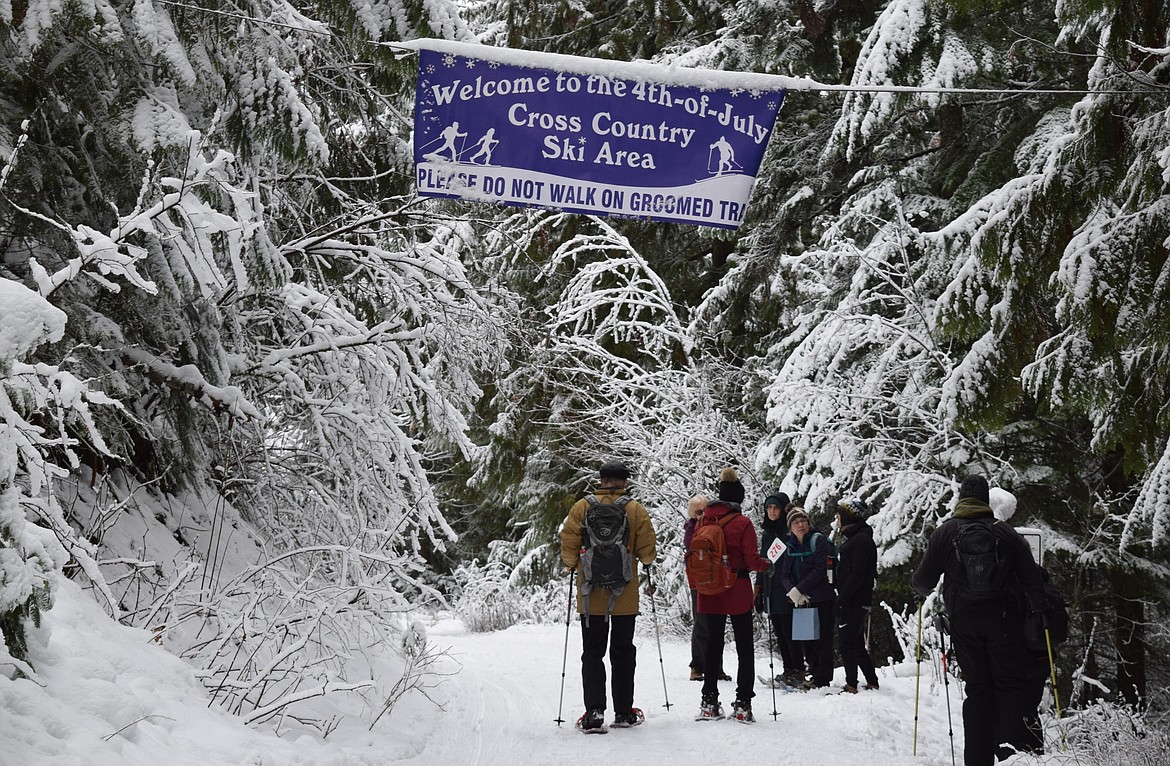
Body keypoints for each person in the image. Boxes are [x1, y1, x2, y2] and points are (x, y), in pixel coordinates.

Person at [912, 474, 1047, 765]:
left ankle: (978, 760)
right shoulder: (1005, 533)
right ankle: (1015, 758)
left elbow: (923, 583)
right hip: (1004, 622)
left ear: (961, 498)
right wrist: (1040, 616)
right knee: (1009, 687)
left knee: (977, 690)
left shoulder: (945, 533)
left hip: (965, 624)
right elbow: (1032, 580)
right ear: (986, 500)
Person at [561, 460, 657, 732]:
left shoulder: (582, 507)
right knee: (623, 652)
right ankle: (624, 713)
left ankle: (594, 713)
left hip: (591, 595)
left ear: (601, 480)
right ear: (624, 483)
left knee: (593, 652)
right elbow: (648, 552)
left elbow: (569, 545)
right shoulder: (635, 509)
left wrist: (572, 565)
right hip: (624, 595)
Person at [695, 468, 770, 722]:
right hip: (736, 589)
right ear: (739, 499)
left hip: (709, 590)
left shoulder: (704, 520)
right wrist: (766, 564)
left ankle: (709, 701)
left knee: (713, 645)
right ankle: (742, 703)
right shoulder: (742, 522)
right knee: (744, 647)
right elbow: (750, 560)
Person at [779, 505, 836, 689]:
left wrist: (799, 589)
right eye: (795, 522)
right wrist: (793, 592)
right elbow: (784, 574)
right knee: (808, 639)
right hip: (802, 600)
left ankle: (822, 678)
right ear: (790, 527)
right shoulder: (790, 546)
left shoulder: (818, 541)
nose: (800, 525)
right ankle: (814, 671)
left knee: (823, 639)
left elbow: (820, 570)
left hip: (822, 597)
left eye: (803, 521)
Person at [754, 491, 807, 687]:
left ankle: (798, 669)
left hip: (788, 587)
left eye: (776, 507)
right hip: (771, 588)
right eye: (769, 508)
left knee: (790, 631)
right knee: (779, 631)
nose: (772, 511)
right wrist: (758, 588)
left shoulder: (789, 531)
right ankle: (788, 669)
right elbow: (762, 560)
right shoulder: (768, 533)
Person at [834, 497, 880, 693]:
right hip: (856, 599)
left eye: (838, 517)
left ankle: (851, 684)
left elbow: (858, 574)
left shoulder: (860, 541)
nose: (836, 521)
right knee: (857, 644)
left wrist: (842, 597)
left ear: (846, 517)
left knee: (846, 643)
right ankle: (871, 681)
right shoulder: (856, 538)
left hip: (854, 600)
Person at [683, 493, 728, 682]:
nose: (702, 515)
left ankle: (716, 666)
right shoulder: (691, 529)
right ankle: (697, 665)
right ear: (693, 513)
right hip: (699, 581)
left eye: (705, 511)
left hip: (714, 579)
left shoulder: (712, 527)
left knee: (716, 623)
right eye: (698, 512)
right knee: (701, 622)